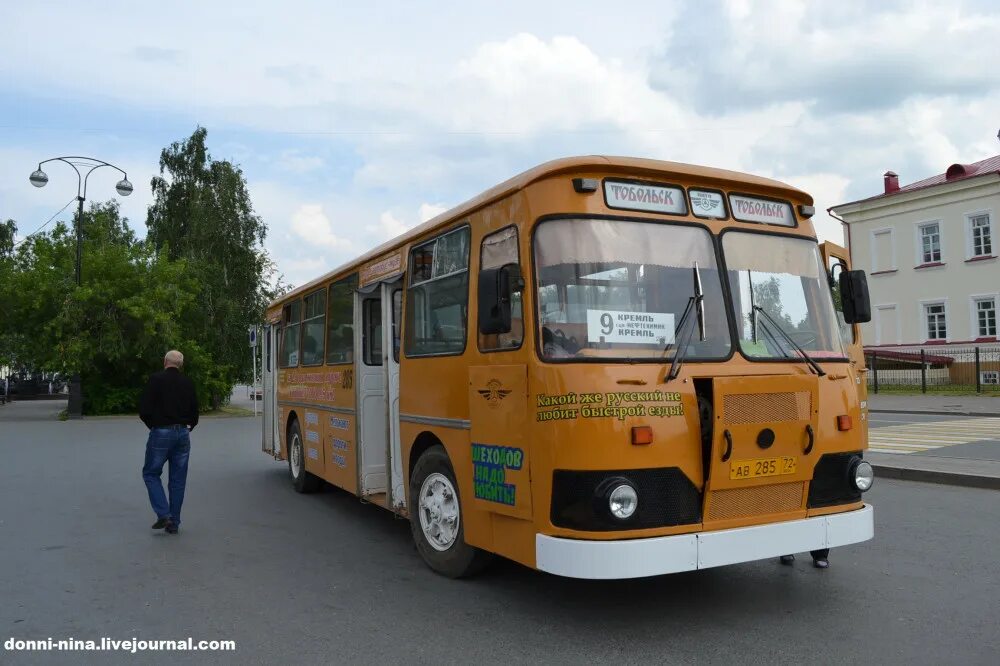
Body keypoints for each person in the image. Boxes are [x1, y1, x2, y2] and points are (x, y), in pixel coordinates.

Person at [139, 350, 199, 535]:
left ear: (165, 361)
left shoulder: (156, 380)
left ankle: (164, 513)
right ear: (181, 364)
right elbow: (195, 413)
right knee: (178, 480)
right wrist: (187, 428)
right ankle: (174, 523)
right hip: (182, 433)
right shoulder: (188, 383)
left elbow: (144, 409)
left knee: (151, 473)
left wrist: (155, 427)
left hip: (161, 432)